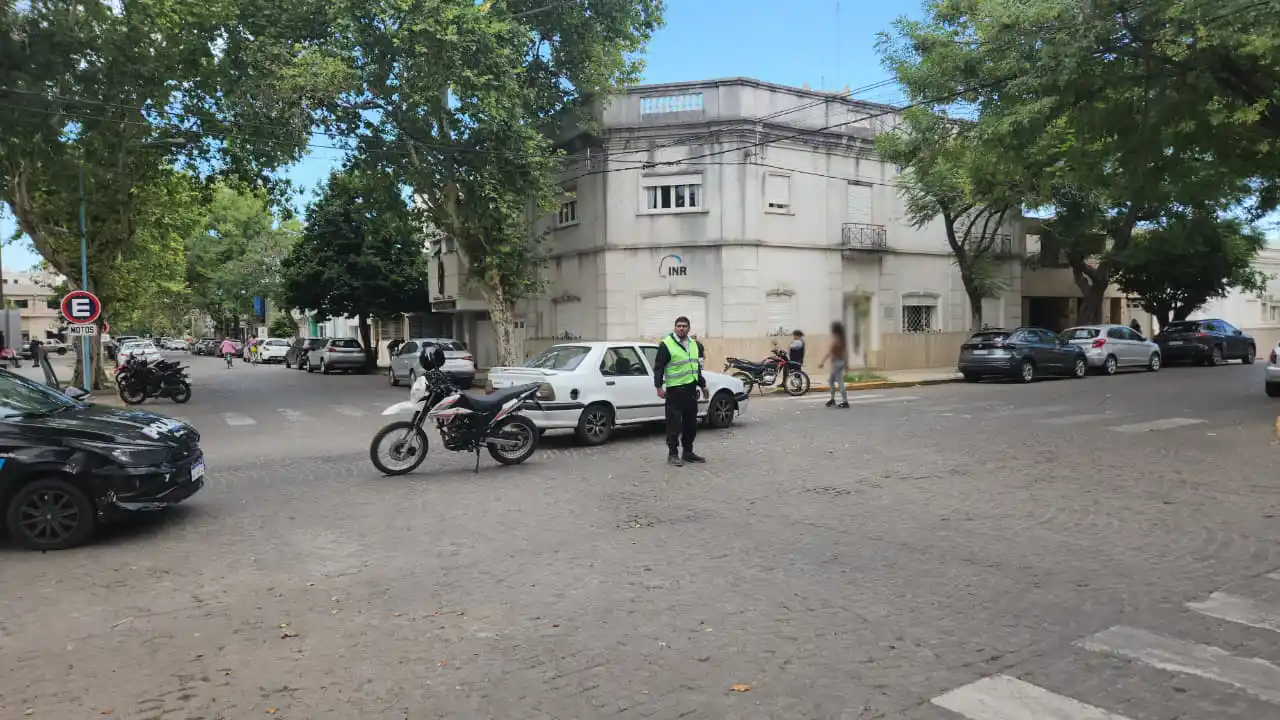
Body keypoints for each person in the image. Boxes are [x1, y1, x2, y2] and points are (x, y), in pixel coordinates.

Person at [651, 316, 708, 467]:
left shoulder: (694, 345)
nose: (681, 328)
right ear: (675, 328)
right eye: (678, 326)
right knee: (673, 424)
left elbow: (695, 368)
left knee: (691, 424)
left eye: (684, 326)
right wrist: (658, 387)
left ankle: (688, 452)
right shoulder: (666, 344)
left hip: (690, 390)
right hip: (675, 391)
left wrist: (703, 385)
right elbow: (658, 367)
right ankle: (673, 454)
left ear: (689, 328)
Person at [817, 321, 849, 408]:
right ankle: (832, 399)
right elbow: (845, 353)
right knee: (831, 380)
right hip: (841, 362)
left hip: (836, 363)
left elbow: (829, 353)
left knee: (840, 381)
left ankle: (845, 401)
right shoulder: (843, 339)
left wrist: (822, 362)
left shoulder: (836, 340)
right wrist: (846, 364)